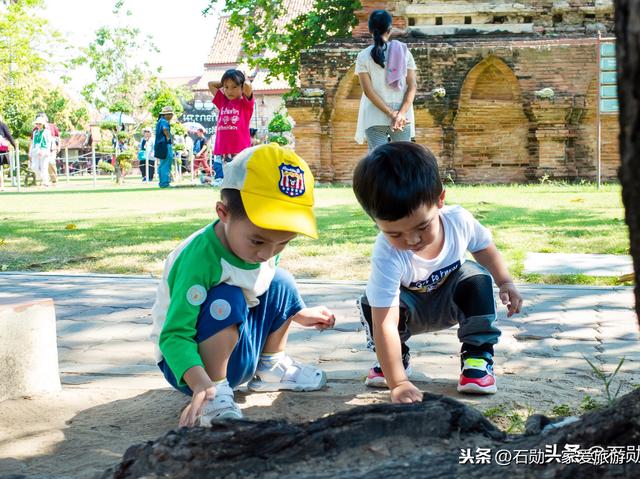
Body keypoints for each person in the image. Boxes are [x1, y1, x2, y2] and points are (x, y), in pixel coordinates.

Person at [150, 143, 335, 427]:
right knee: (227, 297)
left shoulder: (263, 246)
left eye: (283, 242)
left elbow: (259, 285)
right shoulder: (199, 261)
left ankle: (271, 366)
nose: (267, 253)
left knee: (282, 280)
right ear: (224, 213)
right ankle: (217, 393)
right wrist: (201, 383)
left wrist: (297, 313)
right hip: (189, 364)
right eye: (258, 241)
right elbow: (173, 337)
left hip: (238, 346)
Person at [351, 142, 523, 403]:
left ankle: (477, 356)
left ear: (440, 199)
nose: (411, 240)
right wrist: (398, 383)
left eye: (422, 226)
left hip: (450, 302)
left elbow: (484, 248)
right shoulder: (387, 252)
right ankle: (395, 362)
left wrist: (505, 281)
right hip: (408, 310)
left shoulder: (459, 221)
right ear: (376, 223)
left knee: (475, 276)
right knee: (372, 301)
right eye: (394, 233)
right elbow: (385, 322)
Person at [355, 10, 417, 151]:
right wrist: (400, 114)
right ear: (389, 29)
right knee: (402, 162)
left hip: (374, 116)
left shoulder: (363, 56)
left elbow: (368, 92)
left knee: (378, 165)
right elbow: (412, 86)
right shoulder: (405, 53)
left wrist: (391, 114)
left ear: (370, 30)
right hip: (402, 117)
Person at [207, 69, 254, 164]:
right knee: (228, 177)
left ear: (242, 87)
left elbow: (247, 86)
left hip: (240, 149)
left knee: (241, 177)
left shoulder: (245, 104)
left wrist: (244, 79)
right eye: (226, 87)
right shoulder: (222, 101)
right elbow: (210, 84)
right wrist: (225, 81)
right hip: (225, 150)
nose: (229, 91)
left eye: (234, 87)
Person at [29, 115, 53, 187]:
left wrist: (46, 152)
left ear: (43, 124)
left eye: (40, 124)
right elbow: (33, 143)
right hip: (35, 151)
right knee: (34, 167)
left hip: (44, 150)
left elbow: (49, 143)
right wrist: (30, 153)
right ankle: (43, 178)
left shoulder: (47, 132)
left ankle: (46, 183)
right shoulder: (35, 132)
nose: (38, 125)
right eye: (37, 124)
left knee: (44, 167)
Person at [154, 106, 174, 188]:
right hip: (165, 145)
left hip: (160, 146)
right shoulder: (164, 122)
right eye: (170, 114)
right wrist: (169, 138)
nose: (171, 116)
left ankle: (162, 182)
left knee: (162, 164)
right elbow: (165, 129)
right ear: (166, 115)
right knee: (166, 164)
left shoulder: (159, 121)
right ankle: (165, 183)